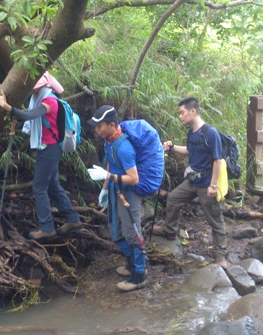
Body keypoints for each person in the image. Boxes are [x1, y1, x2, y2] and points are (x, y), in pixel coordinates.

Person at [0, 73, 81, 241]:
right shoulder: (38, 97)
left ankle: (47, 228)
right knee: (53, 184)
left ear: (41, 85)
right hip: (49, 147)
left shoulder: (49, 101)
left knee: (39, 187)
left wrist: (6, 106)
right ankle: (73, 219)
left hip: (50, 149)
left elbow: (29, 116)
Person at [152, 97, 228, 267]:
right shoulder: (192, 132)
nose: (180, 116)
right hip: (192, 180)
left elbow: (217, 160)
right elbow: (188, 150)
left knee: (214, 218)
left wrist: (213, 185)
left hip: (207, 183)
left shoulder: (210, 132)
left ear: (193, 111)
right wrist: (172, 148)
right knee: (173, 198)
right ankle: (169, 231)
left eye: (182, 112)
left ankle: (220, 255)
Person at [87, 105, 147, 291]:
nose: (96, 129)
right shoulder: (109, 141)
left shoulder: (124, 148)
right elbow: (111, 166)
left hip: (129, 195)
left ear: (112, 125)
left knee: (132, 233)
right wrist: (104, 189)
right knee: (116, 231)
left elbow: (134, 178)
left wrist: (107, 177)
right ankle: (131, 265)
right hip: (116, 191)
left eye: (99, 126)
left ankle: (139, 276)